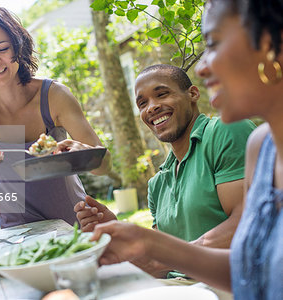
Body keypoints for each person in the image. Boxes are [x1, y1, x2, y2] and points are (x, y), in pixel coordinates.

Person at [91, 0, 282, 298]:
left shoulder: (228, 134)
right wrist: (141, 241)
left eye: (214, 44)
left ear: (270, 42)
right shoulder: (262, 147)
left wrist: (157, 251)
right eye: (142, 103)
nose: (203, 67)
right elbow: (251, 269)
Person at [75, 64, 255, 277]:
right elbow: (157, 267)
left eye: (162, 94)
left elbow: (249, 221)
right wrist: (113, 229)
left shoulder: (226, 131)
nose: (151, 107)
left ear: (193, 94)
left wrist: (171, 257)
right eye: (142, 103)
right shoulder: (158, 184)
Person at [0, 7, 111, 228]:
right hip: (17, 234)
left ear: (18, 48)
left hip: (75, 223)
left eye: (3, 48)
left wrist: (84, 154)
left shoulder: (55, 95)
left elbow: (103, 166)